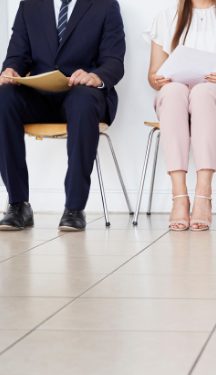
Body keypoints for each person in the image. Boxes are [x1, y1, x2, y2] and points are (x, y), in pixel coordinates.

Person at [0, 0, 126, 231]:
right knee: (3, 97)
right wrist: (10, 70)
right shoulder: (30, 5)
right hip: (39, 95)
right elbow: (17, 55)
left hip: (82, 95)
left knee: (82, 100)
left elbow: (114, 61)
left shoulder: (105, 5)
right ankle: (18, 204)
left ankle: (74, 208)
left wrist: (96, 77)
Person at [146, 0, 216, 231]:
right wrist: (159, 79)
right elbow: (153, 76)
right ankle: (179, 196)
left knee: (202, 91)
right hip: (177, 101)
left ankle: (203, 195)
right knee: (173, 89)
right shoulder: (166, 17)